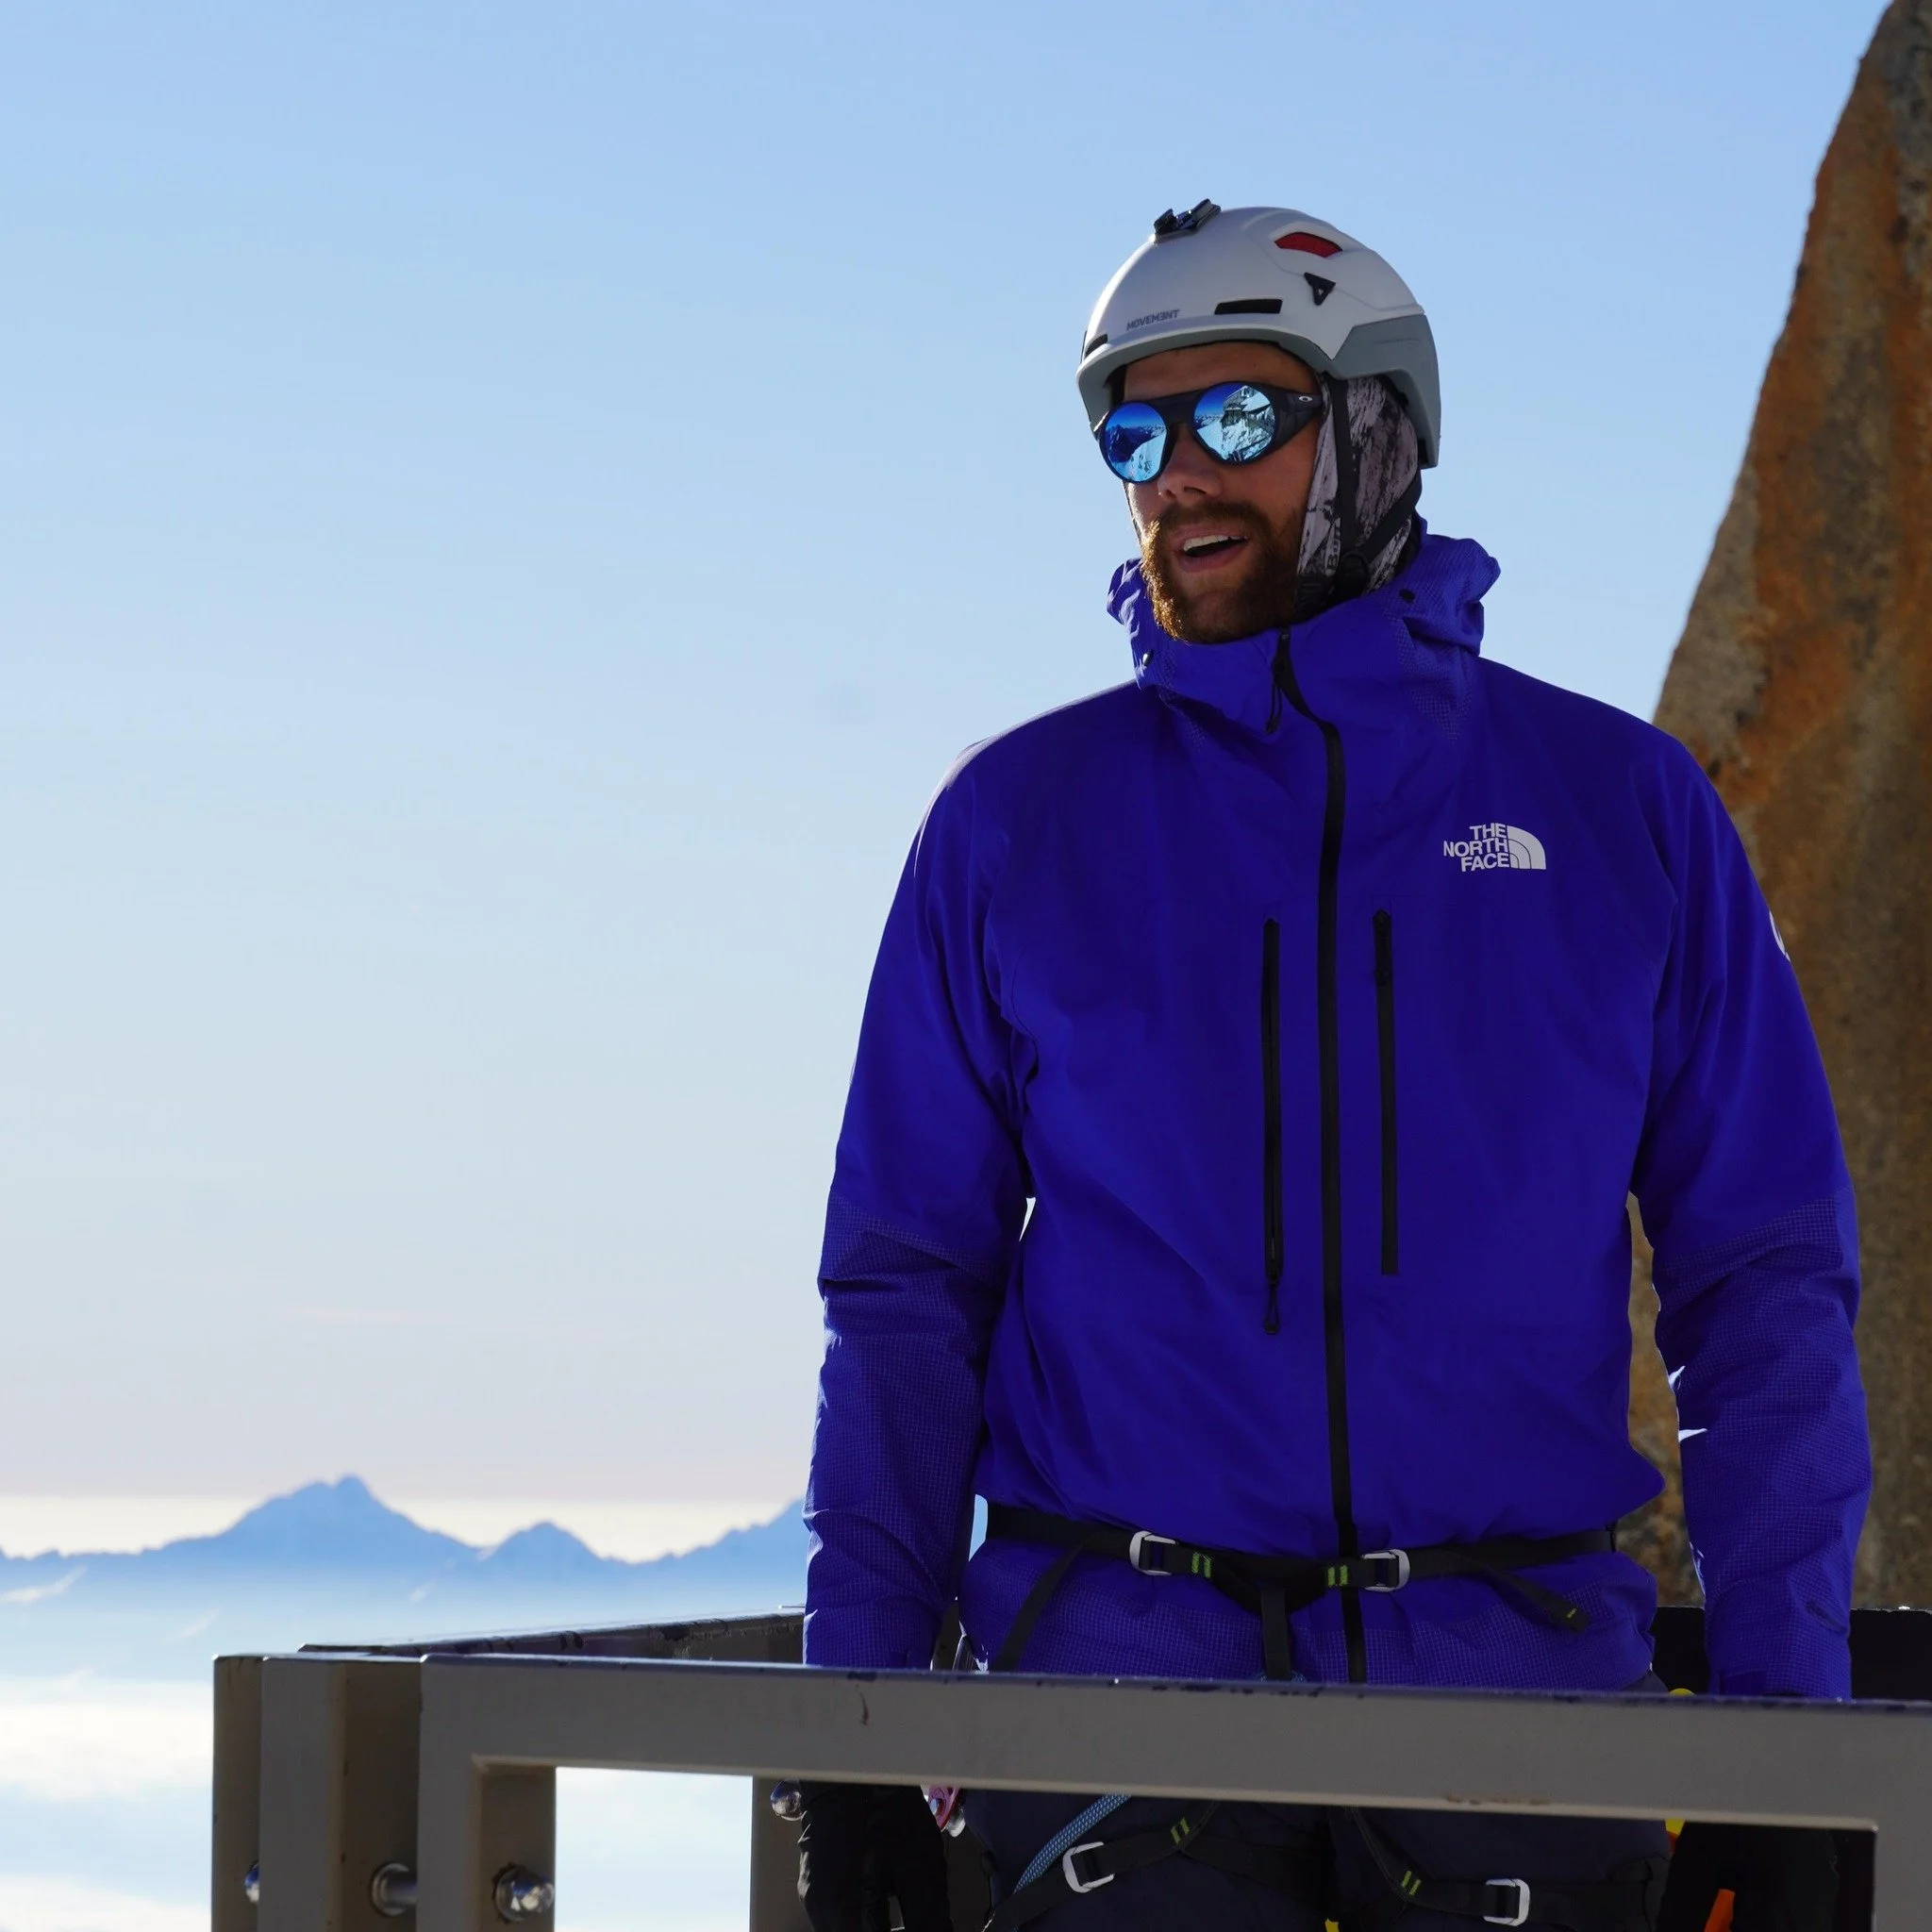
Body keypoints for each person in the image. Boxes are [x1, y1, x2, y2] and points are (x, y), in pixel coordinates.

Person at [794, 202, 1871, 1932]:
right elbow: (909, 1292)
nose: (1175, 479)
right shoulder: (1015, 825)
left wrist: (1789, 1745)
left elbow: (1765, 1292)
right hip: (1117, 1719)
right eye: (1131, 434)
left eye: (1236, 420)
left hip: (1512, 1714)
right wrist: (846, 1741)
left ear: (1377, 433)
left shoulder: (1620, 814)